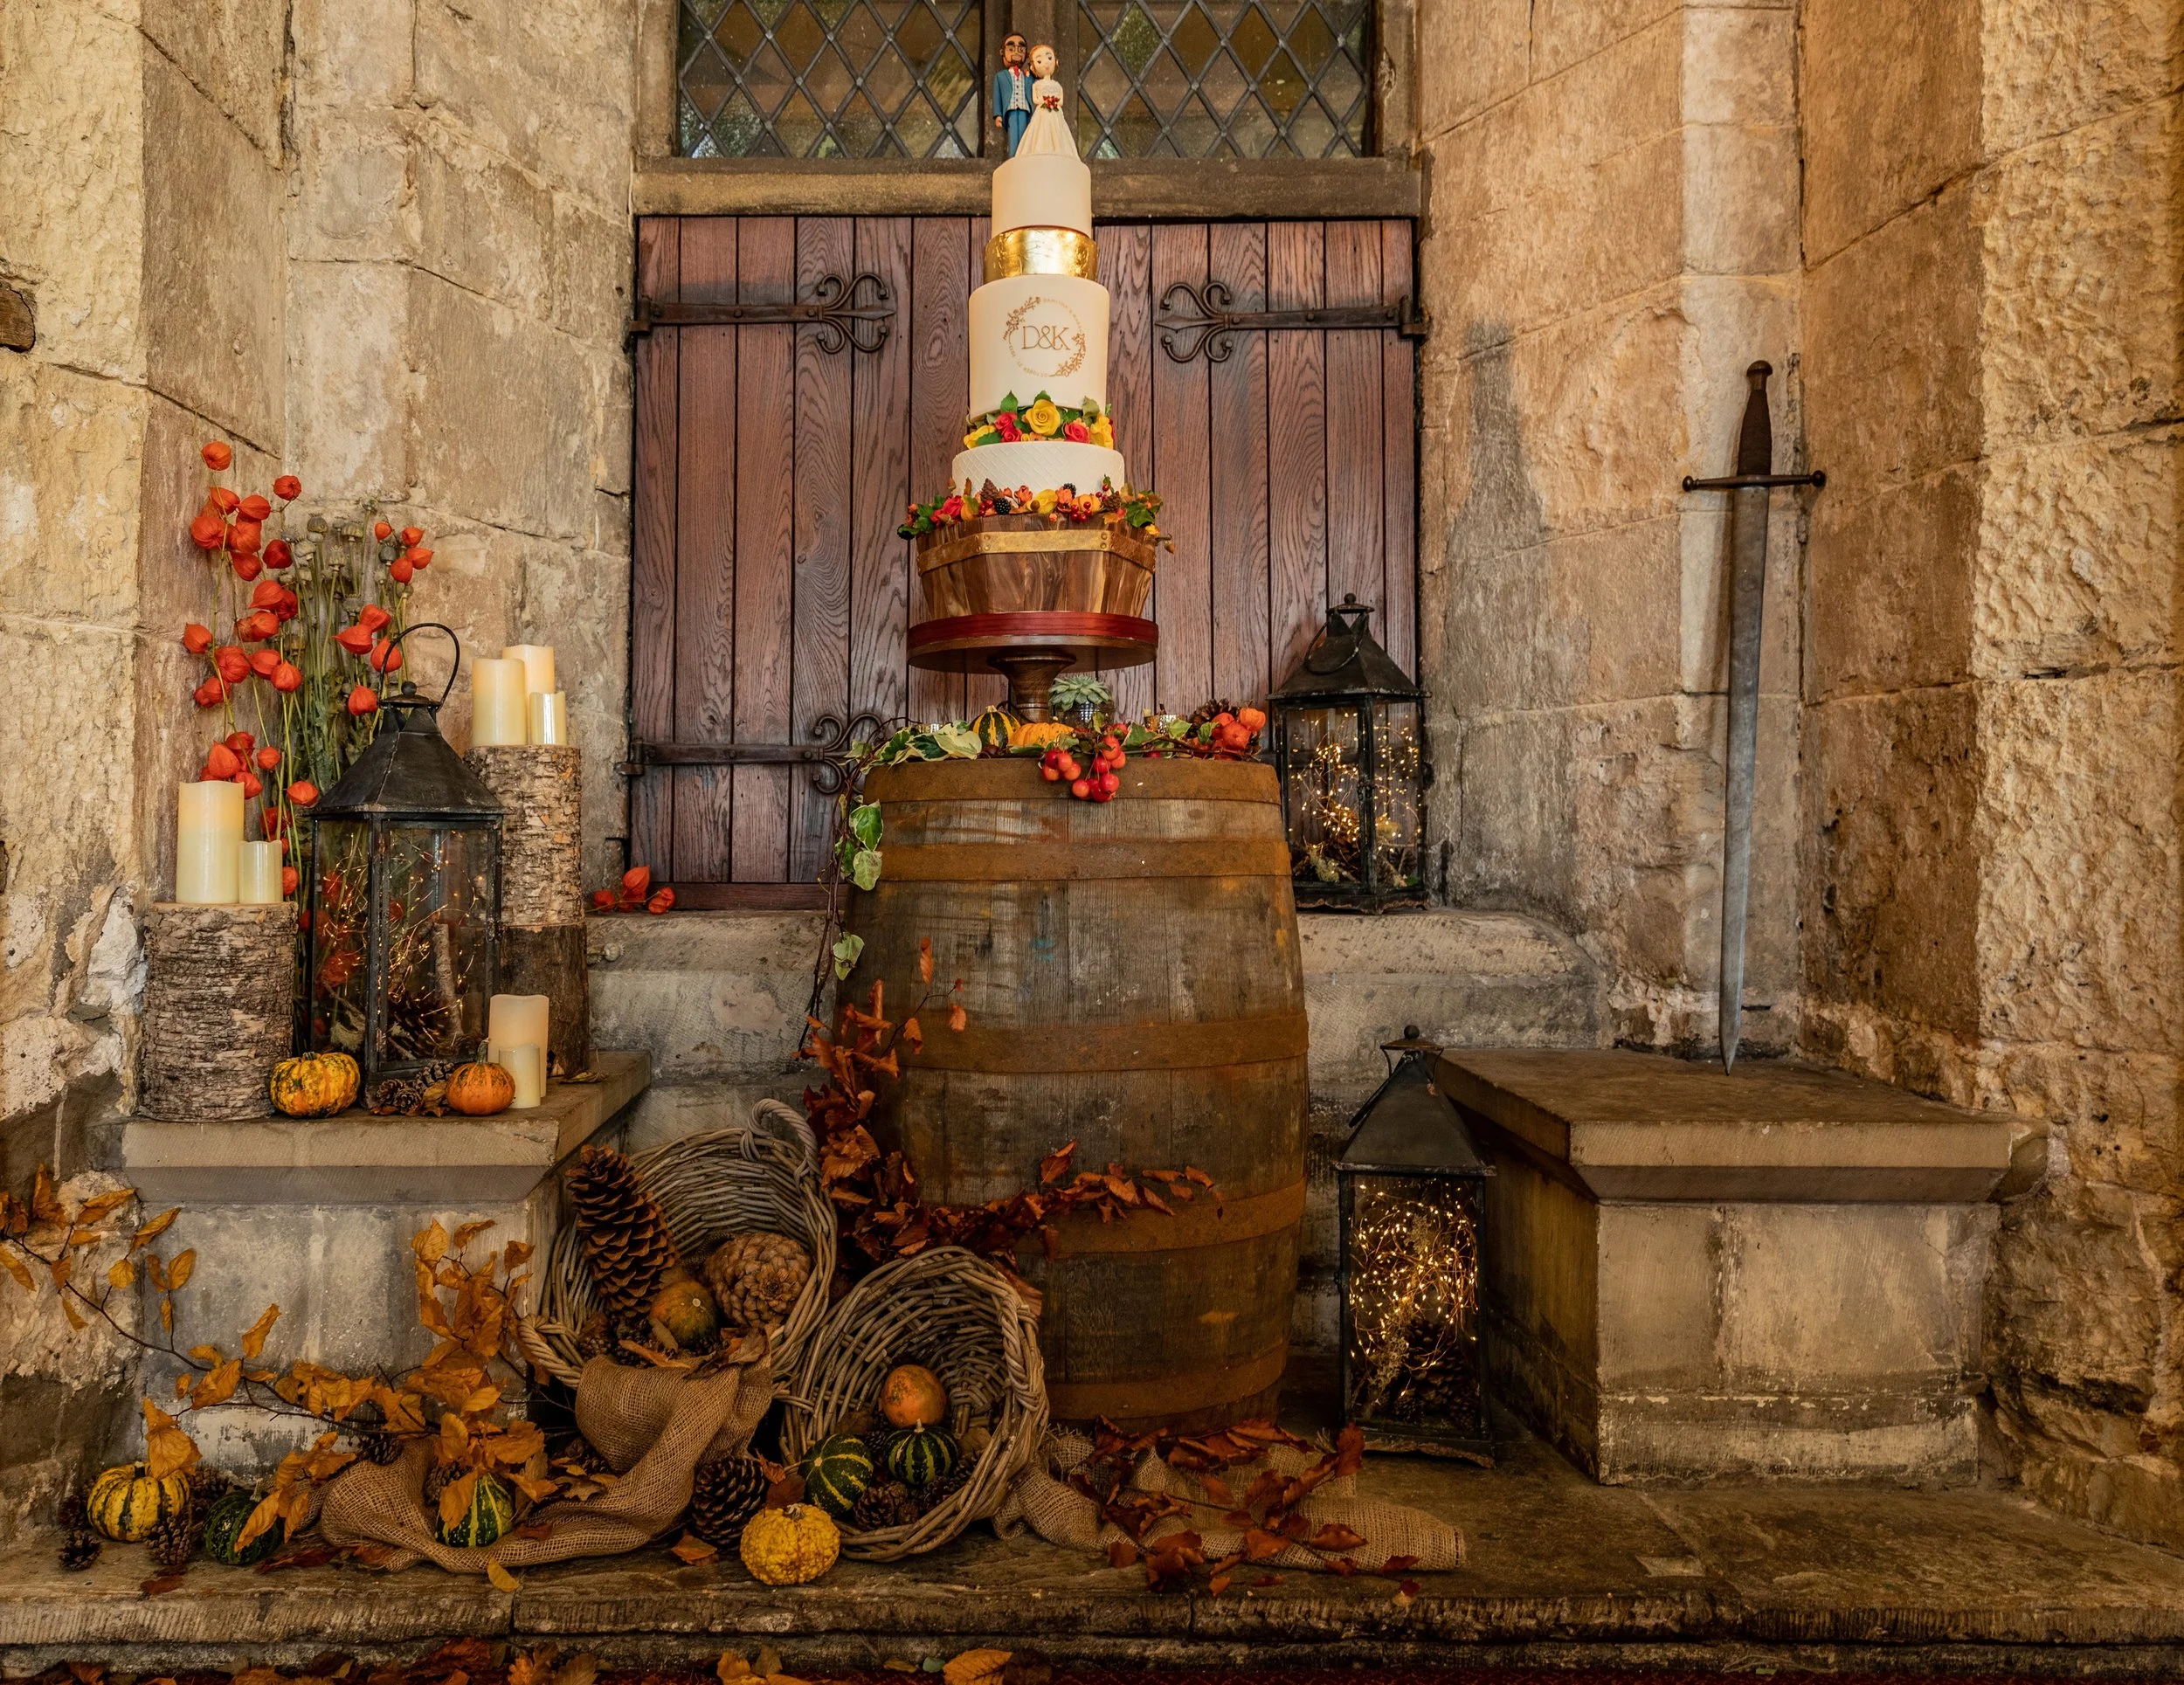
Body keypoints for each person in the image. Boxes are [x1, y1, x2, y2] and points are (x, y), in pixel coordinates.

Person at [1017, 44, 1071, 155]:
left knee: (1058, 133)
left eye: (1049, 58)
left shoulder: (1057, 85)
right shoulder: (1036, 85)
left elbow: (1061, 101)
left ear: (1056, 61)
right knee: (1041, 133)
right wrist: (1046, 101)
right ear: (1033, 67)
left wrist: (1054, 102)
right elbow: (1035, 100)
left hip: (1056, 113)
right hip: (1042, 113)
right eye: (1039, 61)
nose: (1046, 63)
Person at [991, 34, 1033, 156]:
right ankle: (1014, 159)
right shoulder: (1000, 77)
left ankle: (1024, 158)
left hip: (1025, 109)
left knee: (1026, 136)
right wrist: (997, 115)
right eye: (1011, 48)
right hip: (1011, 110)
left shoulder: (1028, 76)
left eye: (1021, 49)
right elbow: (997, 96)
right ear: (1003, 52)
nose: (1016, 52)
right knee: (1013, 135)